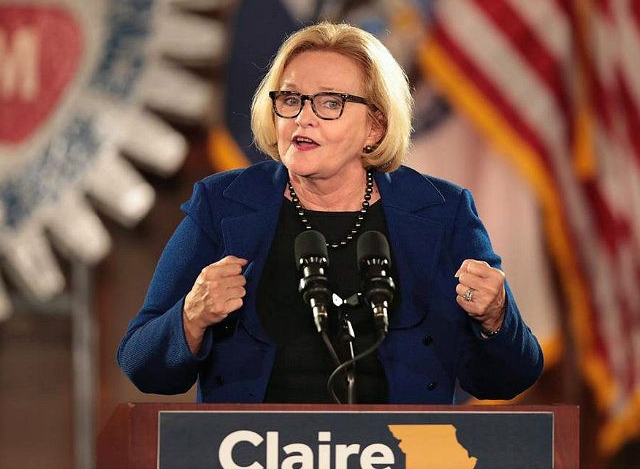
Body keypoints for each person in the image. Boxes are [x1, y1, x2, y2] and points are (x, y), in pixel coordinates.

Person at [117, 21, 543, 404]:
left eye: (329, 103)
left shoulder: (442, 212)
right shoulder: (223, 204)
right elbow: (141, 363)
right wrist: (191, 316)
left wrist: (496, 318)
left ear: (374, 126)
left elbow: (507, 379)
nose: (303, 118)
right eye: (290, 100)